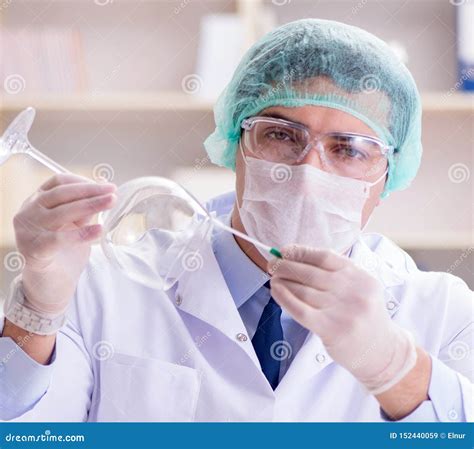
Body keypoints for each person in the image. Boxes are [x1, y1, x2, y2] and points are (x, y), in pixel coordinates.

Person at [0, 18, 472, 422]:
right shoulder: (103, 289)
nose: (308, 172)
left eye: (348, 149)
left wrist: (394, 367)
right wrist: (36, 311)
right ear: (235, 142)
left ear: (389, 174)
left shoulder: (441, 312)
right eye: (282, 135)